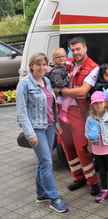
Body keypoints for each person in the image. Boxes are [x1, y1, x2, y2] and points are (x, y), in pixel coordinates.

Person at [16, 52, 69, 213]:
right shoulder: (24, 85)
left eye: (44, 64)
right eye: (38, 64)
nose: (42, 67)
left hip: (50, 126)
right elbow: (21, 112)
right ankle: (54, 198)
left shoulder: (46, 80)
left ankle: (41, 194)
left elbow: (52, 106)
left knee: (41, 161)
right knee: (46, 161)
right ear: (31, 66)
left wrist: (57, 123)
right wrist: (29, 133)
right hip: (36, 129)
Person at [54, 37, 100, 196]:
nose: (75, 53)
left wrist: (59, 91)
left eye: (78, 49)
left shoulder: (93, 67)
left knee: (81, 147)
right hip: (60, 111)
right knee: (67, 147)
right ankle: (78, 177)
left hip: (78, 113)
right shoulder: (67, 62)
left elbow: (82, 91)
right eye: (72, 50)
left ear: (85, 48)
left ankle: (92, 181)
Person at [85, 91, 108, 203]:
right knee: (102, 171)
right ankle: (104, 190)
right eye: (96, 103)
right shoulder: (90, 119)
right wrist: (90, 136)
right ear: (92, 105)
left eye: (101, 102)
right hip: (96, 149)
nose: (99, 105)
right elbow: (86, 133)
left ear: (105, 103)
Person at [45, 48, 73, 123]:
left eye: (63, 56)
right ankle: (63, 113)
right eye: (58, 57)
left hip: (57, 89)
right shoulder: (56, 70)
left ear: (66, 57)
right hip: (58, 87)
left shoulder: (62, 67)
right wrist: (68, 78)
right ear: (54, 59)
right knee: (70, 95)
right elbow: (59, 83)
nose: (61, 59)